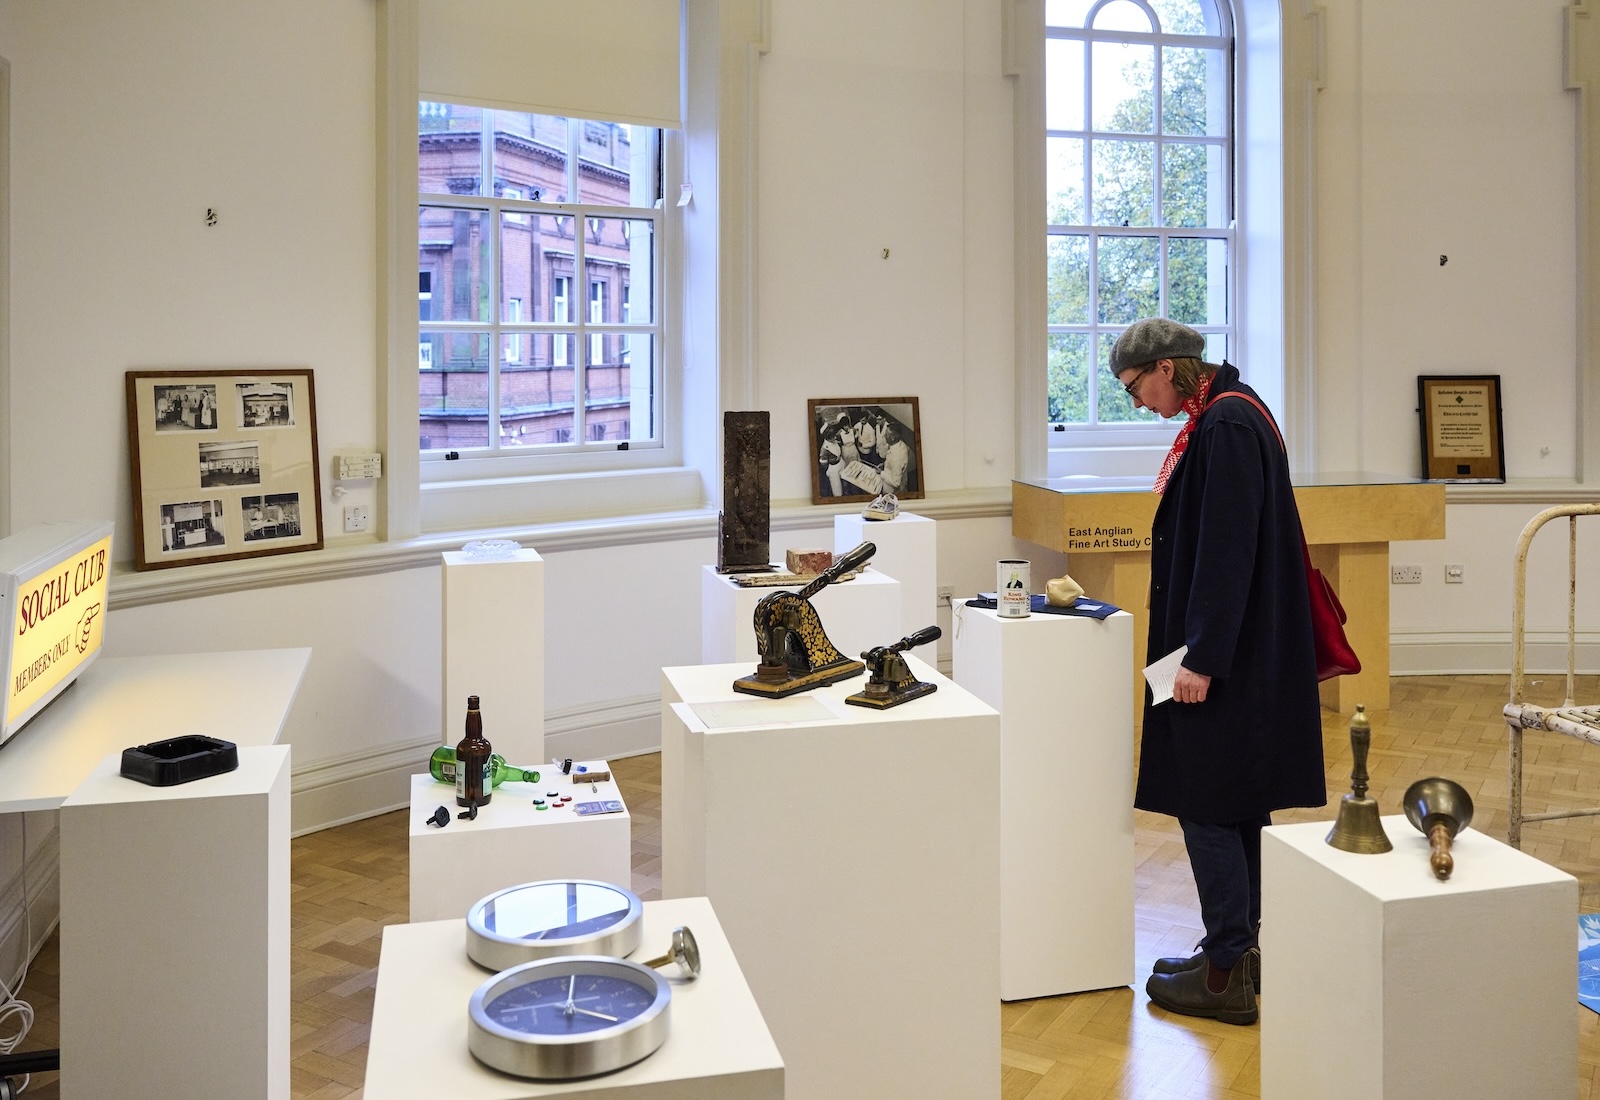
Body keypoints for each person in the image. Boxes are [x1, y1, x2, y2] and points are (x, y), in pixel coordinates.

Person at [1111, 317, 1324, 1027]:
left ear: (1168, 368)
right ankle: (1240, 951)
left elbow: (1227, 552)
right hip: (1234, 649)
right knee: (1235, 800)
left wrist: (1200, 659)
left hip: (1219, 657)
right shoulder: (1234, 411)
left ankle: (1224, 973)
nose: (1139, 402)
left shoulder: (1227, 425)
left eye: (1137, 386)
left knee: (1204, 800)